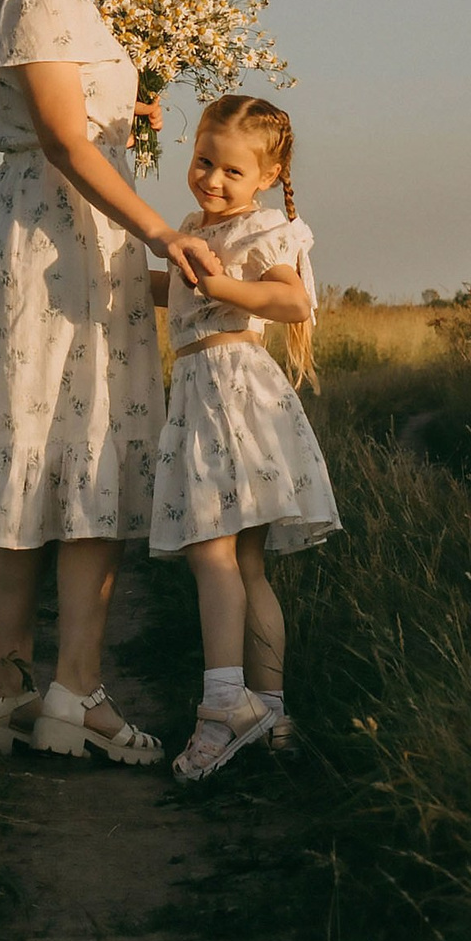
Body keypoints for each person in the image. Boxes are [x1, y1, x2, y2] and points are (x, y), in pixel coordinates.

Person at [0, 0, 215, 763]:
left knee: (41, 453)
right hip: (52, 242)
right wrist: (161, 232)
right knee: (79, 450)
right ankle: (71, 692)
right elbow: (64, 141)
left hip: (43, 229)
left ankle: (12, 693)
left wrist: (118, 117)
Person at [146, 95, 340, 782]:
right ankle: (272, 714)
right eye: (204, 161)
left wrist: (226, 283)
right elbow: (183, 292)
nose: (213, 179)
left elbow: (292, 301)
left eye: (232, 170)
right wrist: (127, 281)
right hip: (204, 392)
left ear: (267, 175)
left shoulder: (261, 228)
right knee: (245, 566)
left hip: (232, 393)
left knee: (214, 554)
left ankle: (225, 707)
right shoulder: (191, 228)